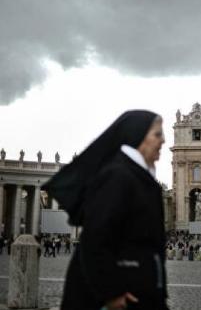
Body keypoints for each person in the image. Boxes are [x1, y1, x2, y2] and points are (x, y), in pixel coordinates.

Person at [42, 110, 168, 310]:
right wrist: (111, 293)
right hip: (115, 298)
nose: (164, 141)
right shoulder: (116, 176)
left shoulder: (140, 176)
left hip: (138, 292)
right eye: (157, 134)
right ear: (138, 135)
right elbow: (95, 239)